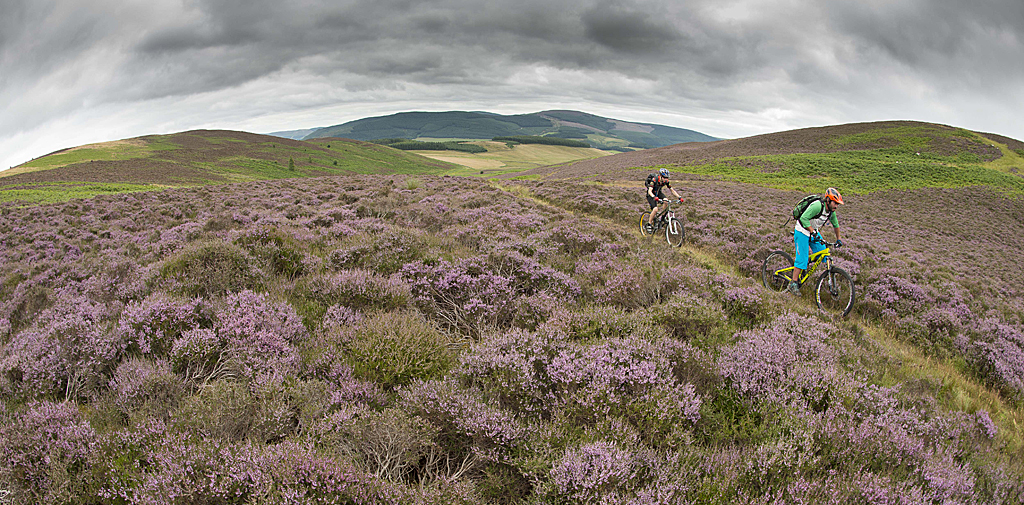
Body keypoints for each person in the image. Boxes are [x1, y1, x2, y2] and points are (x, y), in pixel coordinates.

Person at [789, 187, 844, 294]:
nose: (836, 206)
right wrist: (812, 231)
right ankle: (793, 283)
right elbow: (803, 218)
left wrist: (839, 239)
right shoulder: (817, 206)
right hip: (802, 231)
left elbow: (836, 225)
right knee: (802, 258)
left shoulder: (831, 212)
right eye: (835, 203)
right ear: (828, 200)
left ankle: (805, 266)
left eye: (838, 204)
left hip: (813, 231)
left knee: (823, 253)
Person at [646, 168, 683, 232]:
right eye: (664, 177)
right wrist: (654, 197)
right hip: (651, 194)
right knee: (655, 209)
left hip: (659, 193)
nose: (666, 179)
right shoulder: (654, 180)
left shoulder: (666, 181)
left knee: (666, 201)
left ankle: (662, 218)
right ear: (661, 176)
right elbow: (649, 191)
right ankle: (649, 224)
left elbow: (672, 190)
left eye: (667, 178)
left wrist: (679, 197)